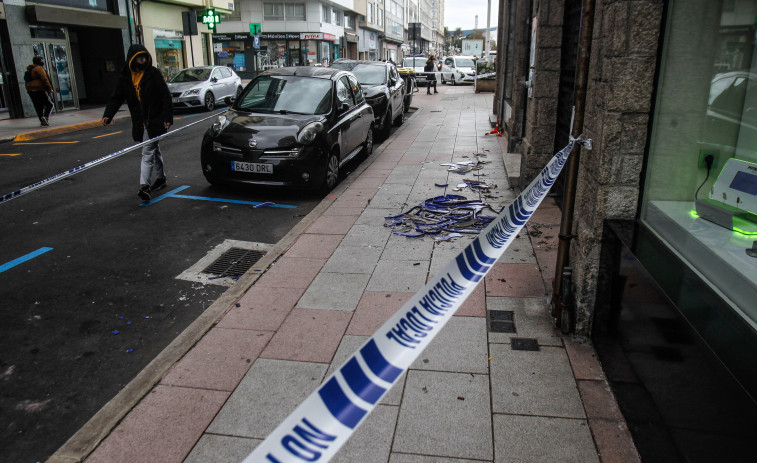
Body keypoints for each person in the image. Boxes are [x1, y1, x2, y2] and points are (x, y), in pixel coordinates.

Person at [102, 44, 173, 201]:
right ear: (132, 59)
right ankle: (161, 178)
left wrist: (167, 118)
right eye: (140, 57)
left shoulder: (153, 74)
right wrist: (108, 114)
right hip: (140, 121)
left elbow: (165, 96)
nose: (143, 60)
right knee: (154, 148)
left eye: (145, 57)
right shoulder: (126, 77)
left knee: (147, 151)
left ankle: (144, 186)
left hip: (155, 119)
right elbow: (117, 97)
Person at [25, 56, 54, 127]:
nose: (42, 61)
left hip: (31, 91)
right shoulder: (39, 68)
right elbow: (45, 79)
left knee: (38, 106)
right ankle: (45, 117)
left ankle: (42, 121)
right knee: (49, 104)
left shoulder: (30, 69)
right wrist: (50, 88)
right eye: (41, 60)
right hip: (39, 89)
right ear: (38, 61)